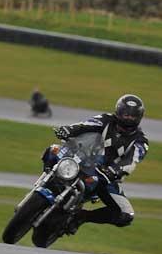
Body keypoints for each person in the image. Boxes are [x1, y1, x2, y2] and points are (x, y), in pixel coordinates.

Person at [52, 94, 148, 234]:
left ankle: (82, 217)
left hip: (106, 177)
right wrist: (68, 130)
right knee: (52, 151)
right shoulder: (106, 119)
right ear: (118, 111)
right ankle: (46, 179)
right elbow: (85, 125)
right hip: (83, 158)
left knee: (126, 216)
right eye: (125, 114)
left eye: (132, 116)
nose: (128, 118)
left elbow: (131, 160)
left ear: (139, 117)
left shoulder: (141, 141)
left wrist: (115, 170)